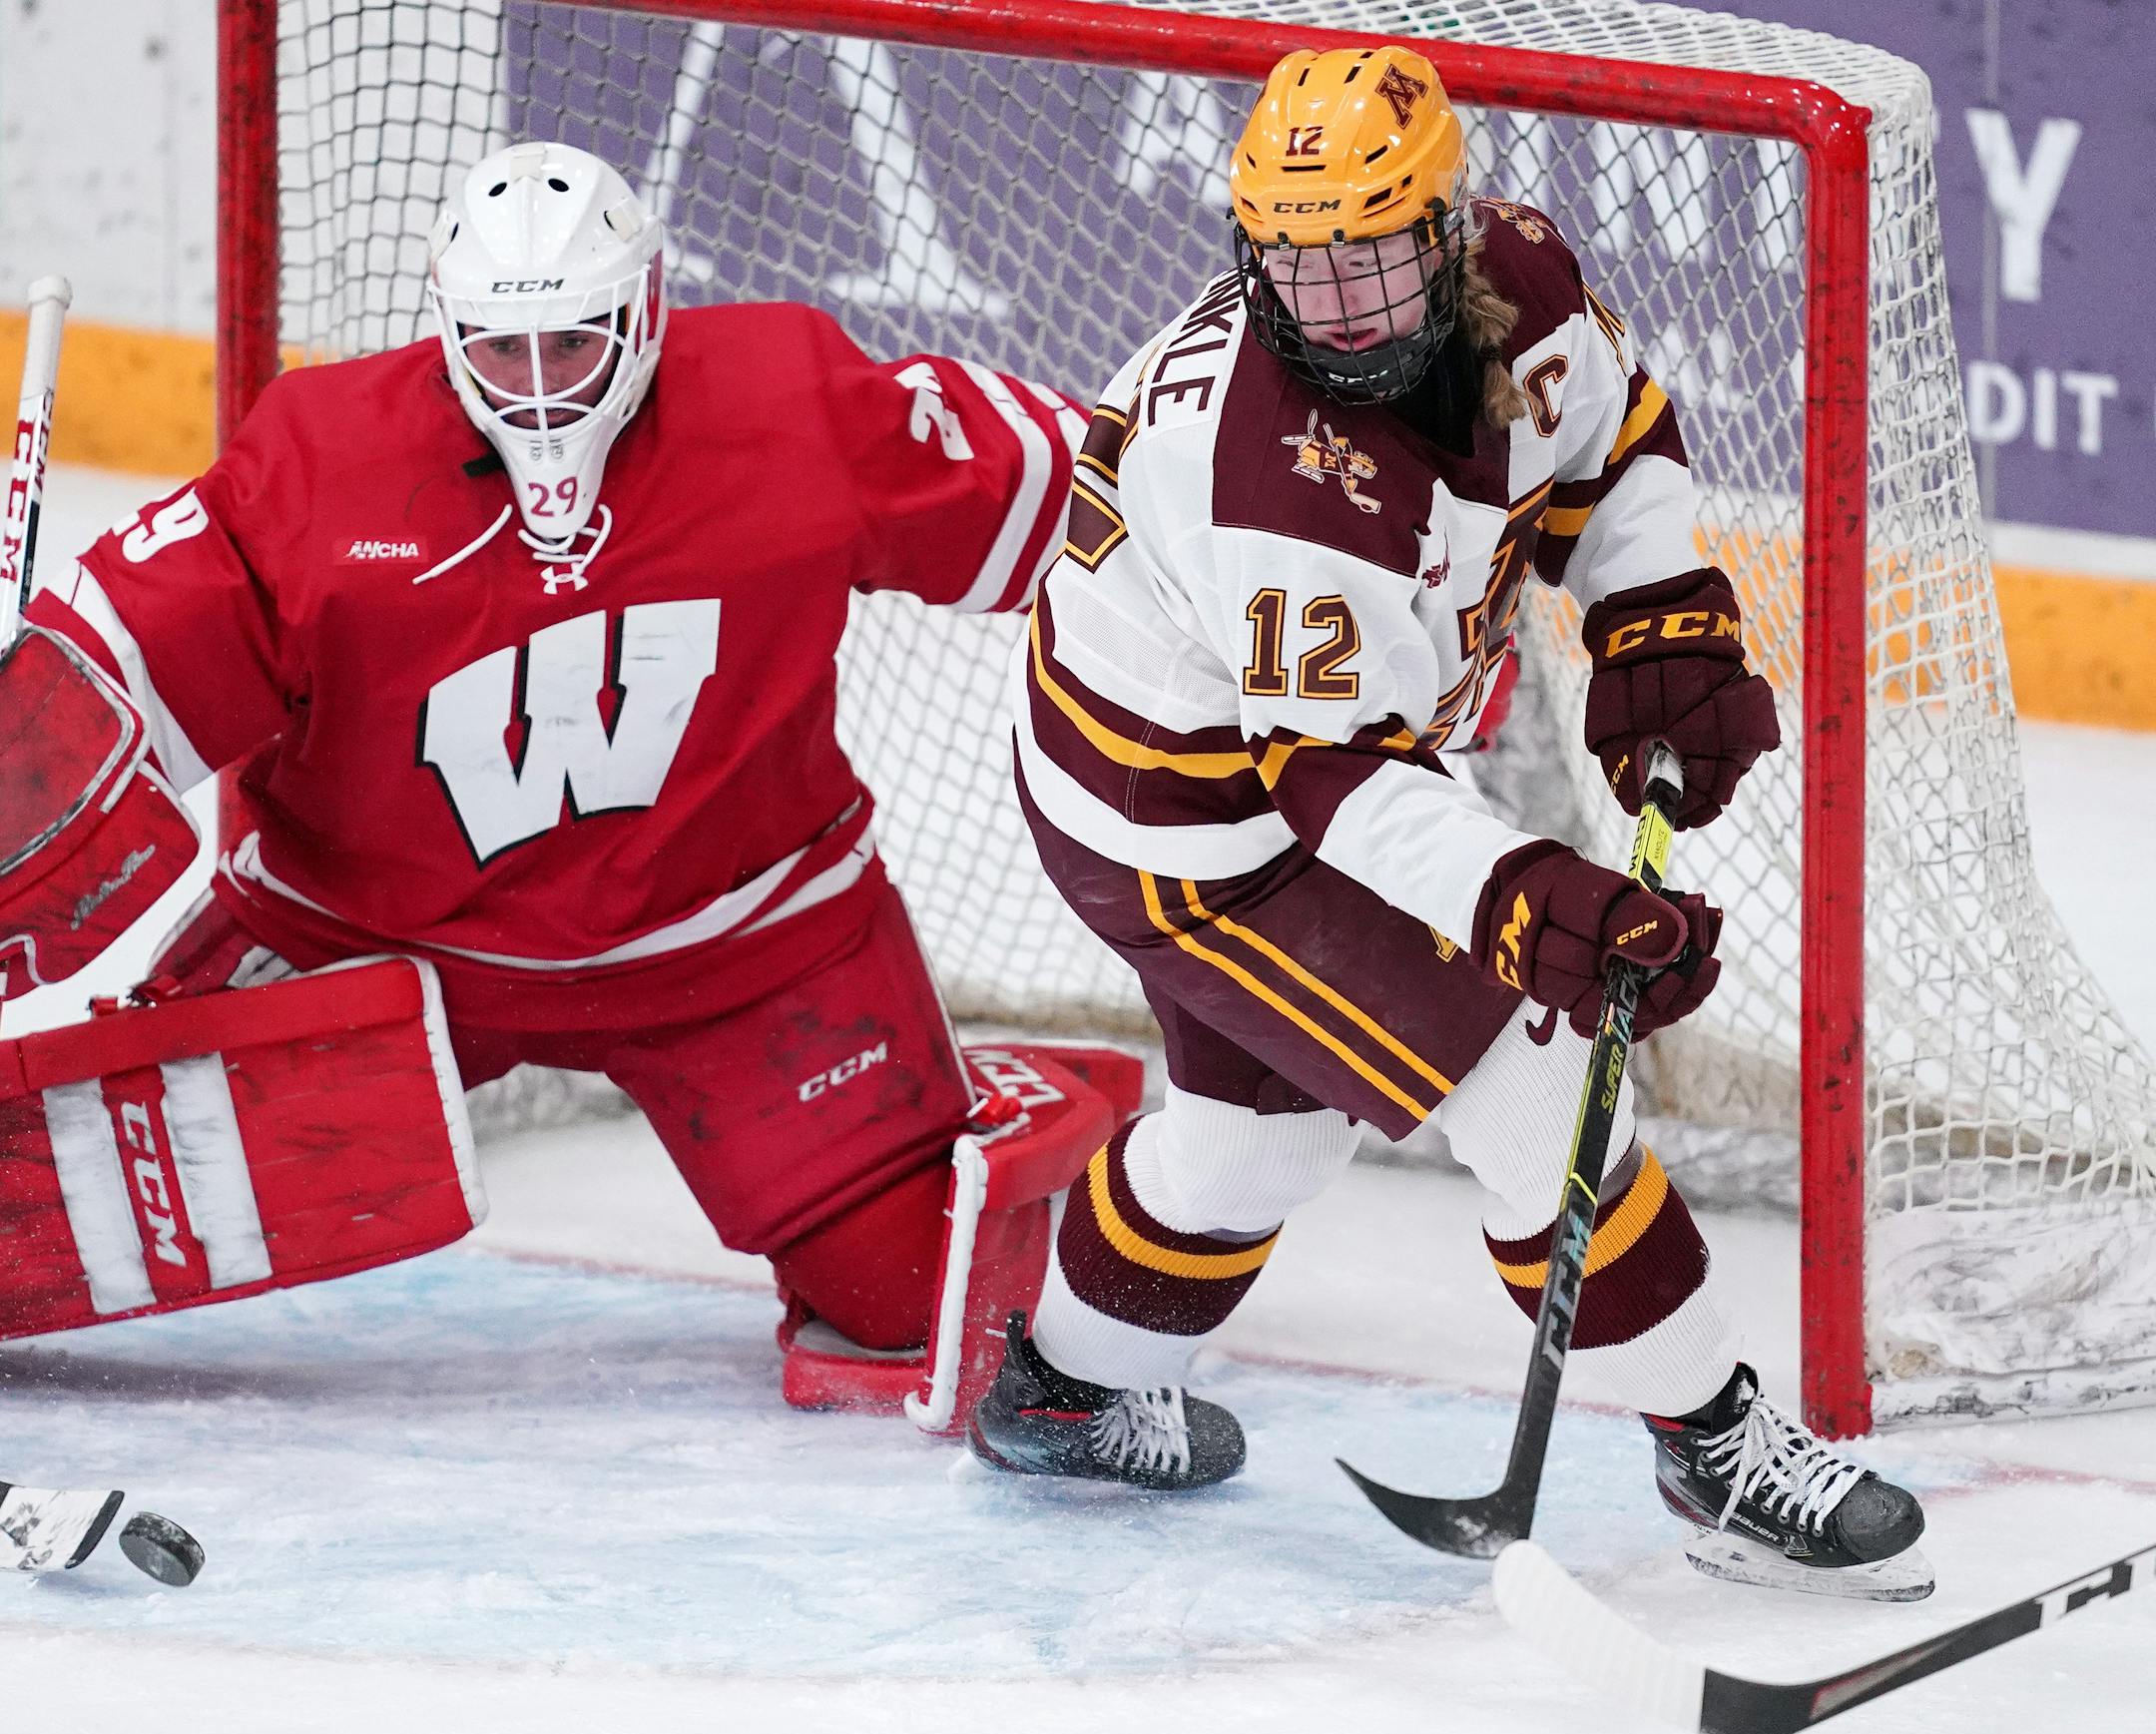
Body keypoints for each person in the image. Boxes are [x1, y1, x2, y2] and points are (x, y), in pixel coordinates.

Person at [970, 46, 1928, 1600]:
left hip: (1267, 757)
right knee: (1542, 1093)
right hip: (1193, 812)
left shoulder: (1523, 279)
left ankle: (1063, 1393)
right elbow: (1331, 782)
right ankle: (1719, 1443)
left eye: (1369, 263)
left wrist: (1657, 610)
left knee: (1250, 1138)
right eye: (1296, 266)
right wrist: (1529, 895)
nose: (1333, 307)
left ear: (1448, 229)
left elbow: (1614, 451)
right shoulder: (1278, 480)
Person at [17, 139, 1082, 1383]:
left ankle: (982, 1100)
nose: (537, 388)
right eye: (499, 348)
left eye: (571, 343)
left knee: (912, 1301)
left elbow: (1084, 512)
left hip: (743, 949)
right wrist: (21, 726)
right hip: (367, 946)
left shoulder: (790, 402)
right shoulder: (321, 462)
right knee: (58, 1221)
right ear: (448, 328)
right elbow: (103, 685)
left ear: (647, 307)